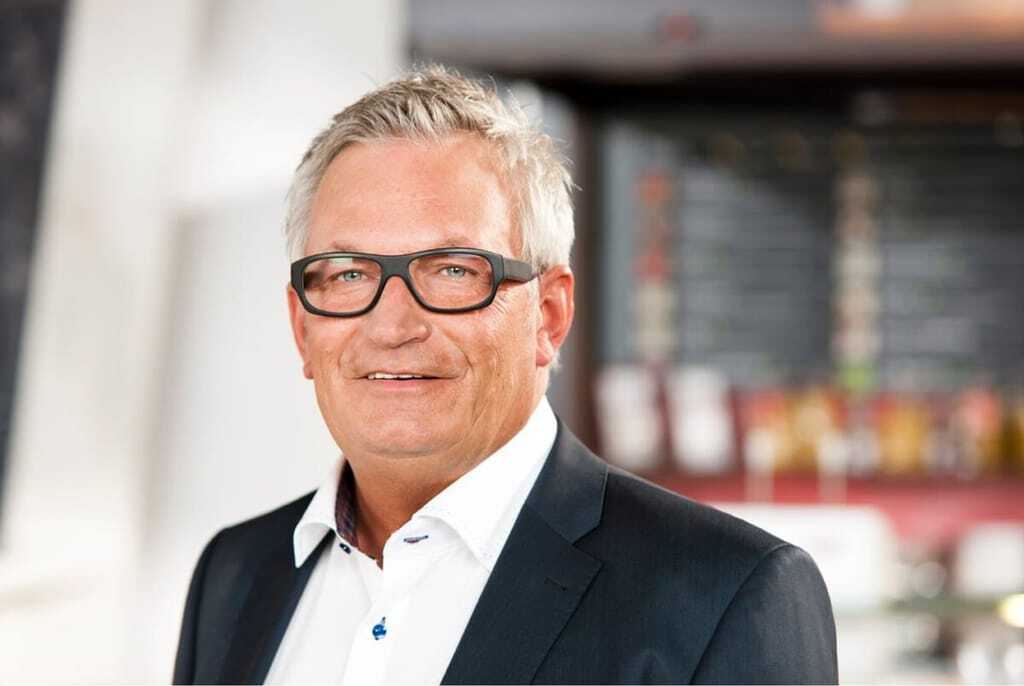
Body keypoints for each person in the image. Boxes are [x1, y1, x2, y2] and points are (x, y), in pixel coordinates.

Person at [172, 66, 838, 685]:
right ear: (302, 328)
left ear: (548, 315)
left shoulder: (728, 596)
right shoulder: (234, 575)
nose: (392, 325)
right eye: (348, 274)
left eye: (453, 270)